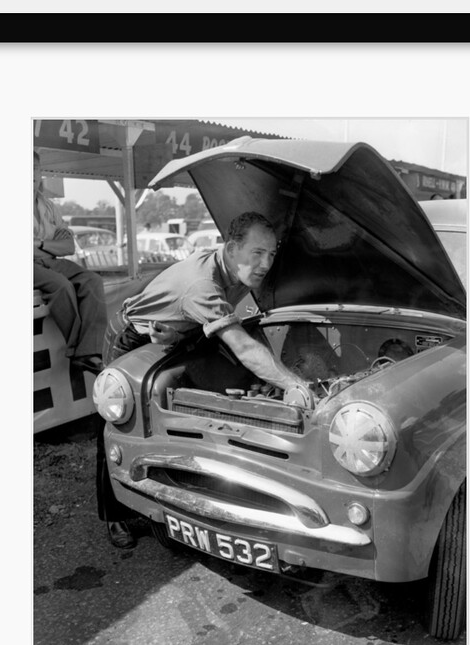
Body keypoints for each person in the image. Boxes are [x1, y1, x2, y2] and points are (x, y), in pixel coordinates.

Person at [99, 210, 316, 548]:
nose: (266, 263)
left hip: (176, 331)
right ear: (231, 248)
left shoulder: (233, 271)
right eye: (257, 253)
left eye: (271, 254)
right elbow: (242, 345)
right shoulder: (203, 285)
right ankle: (116, 515)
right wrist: (292, 383)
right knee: (121, 419)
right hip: (134, 335)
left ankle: (193, 490)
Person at [33, 150, 107, 374]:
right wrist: (49, 244)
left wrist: (40, 245)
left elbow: (69, 246)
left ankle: (90, 350)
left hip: (48, 259)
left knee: (92, 280)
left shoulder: (48, 206)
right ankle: (80, 352)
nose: (31, 174)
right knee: (60, 285)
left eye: (34, 168)